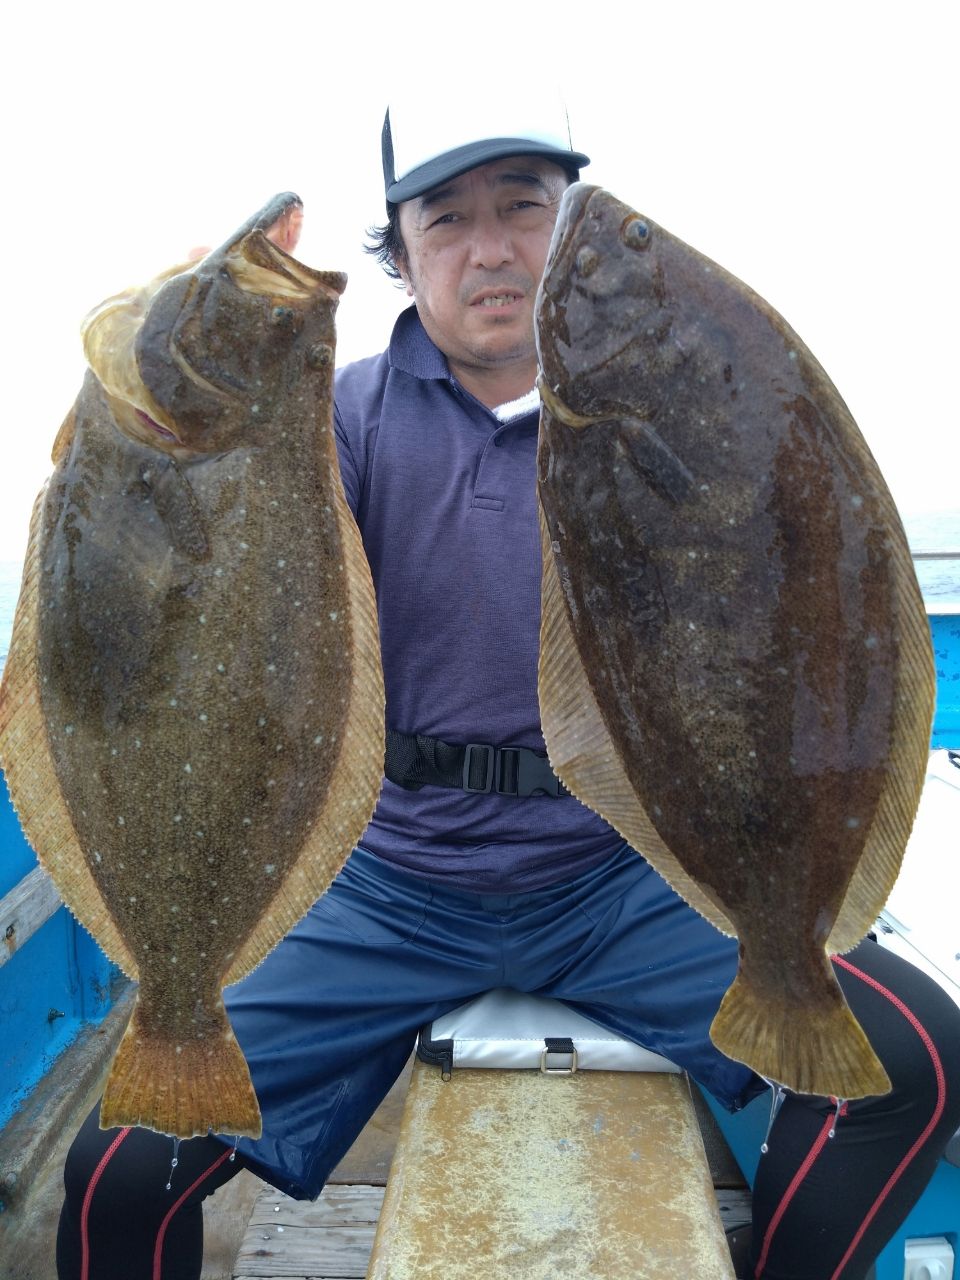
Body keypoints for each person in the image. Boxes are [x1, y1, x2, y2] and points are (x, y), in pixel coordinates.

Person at [56, 92, 960, 1280]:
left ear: (565, 221)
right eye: (446, 220)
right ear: (402, 252)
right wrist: (179, 351)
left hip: (617, 876)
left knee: (920, 1060)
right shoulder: (331, 424)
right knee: (119, 1169)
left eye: (523, 207)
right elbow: (175, 547)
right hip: (388, 883)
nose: (490, 248)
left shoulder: (670, 414)